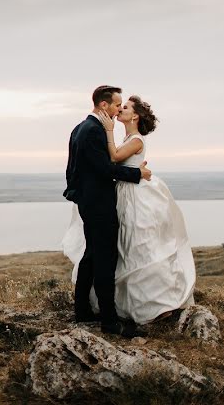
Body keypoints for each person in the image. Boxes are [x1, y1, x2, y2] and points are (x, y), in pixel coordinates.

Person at [94, 95, 196, 324]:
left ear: (136, 115)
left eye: (126, 107)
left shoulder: (136, 140)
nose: (120, 109)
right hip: (125, 193)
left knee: (141, 244)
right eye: (120, 106)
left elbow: (114, 157)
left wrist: (108, 130)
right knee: (127, 246)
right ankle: (133, 303)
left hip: (136, 198)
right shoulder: (128, 137)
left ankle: (158, 304)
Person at [62, 85, 151, 338]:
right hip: (98, 204)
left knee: (91, 256)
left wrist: (76, 194)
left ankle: (82, 312)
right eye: (116, 105)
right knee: (105, 260)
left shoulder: (80, 128)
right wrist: (138, 173)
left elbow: (72, 170)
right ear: (104, 105)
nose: (118, 109)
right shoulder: (93, 131)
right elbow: (104, 169)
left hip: (89, 201)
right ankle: (110, 322)